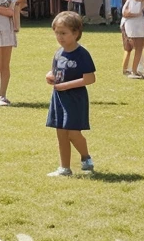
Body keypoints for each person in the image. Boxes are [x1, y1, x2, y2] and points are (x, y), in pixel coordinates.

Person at [46, 12, 97, 176]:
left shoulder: (82, 54)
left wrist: (66, 86)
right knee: (61, 133)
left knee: (73, 133)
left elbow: (89, 79)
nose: (59, 37)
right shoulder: (58, 53)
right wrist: (50, 76)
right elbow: (57, 72)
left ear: (75, 33)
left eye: (64, 33)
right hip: (59, 98)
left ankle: (85, 157)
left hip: (75, 99)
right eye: (57, 33)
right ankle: (64, 168)